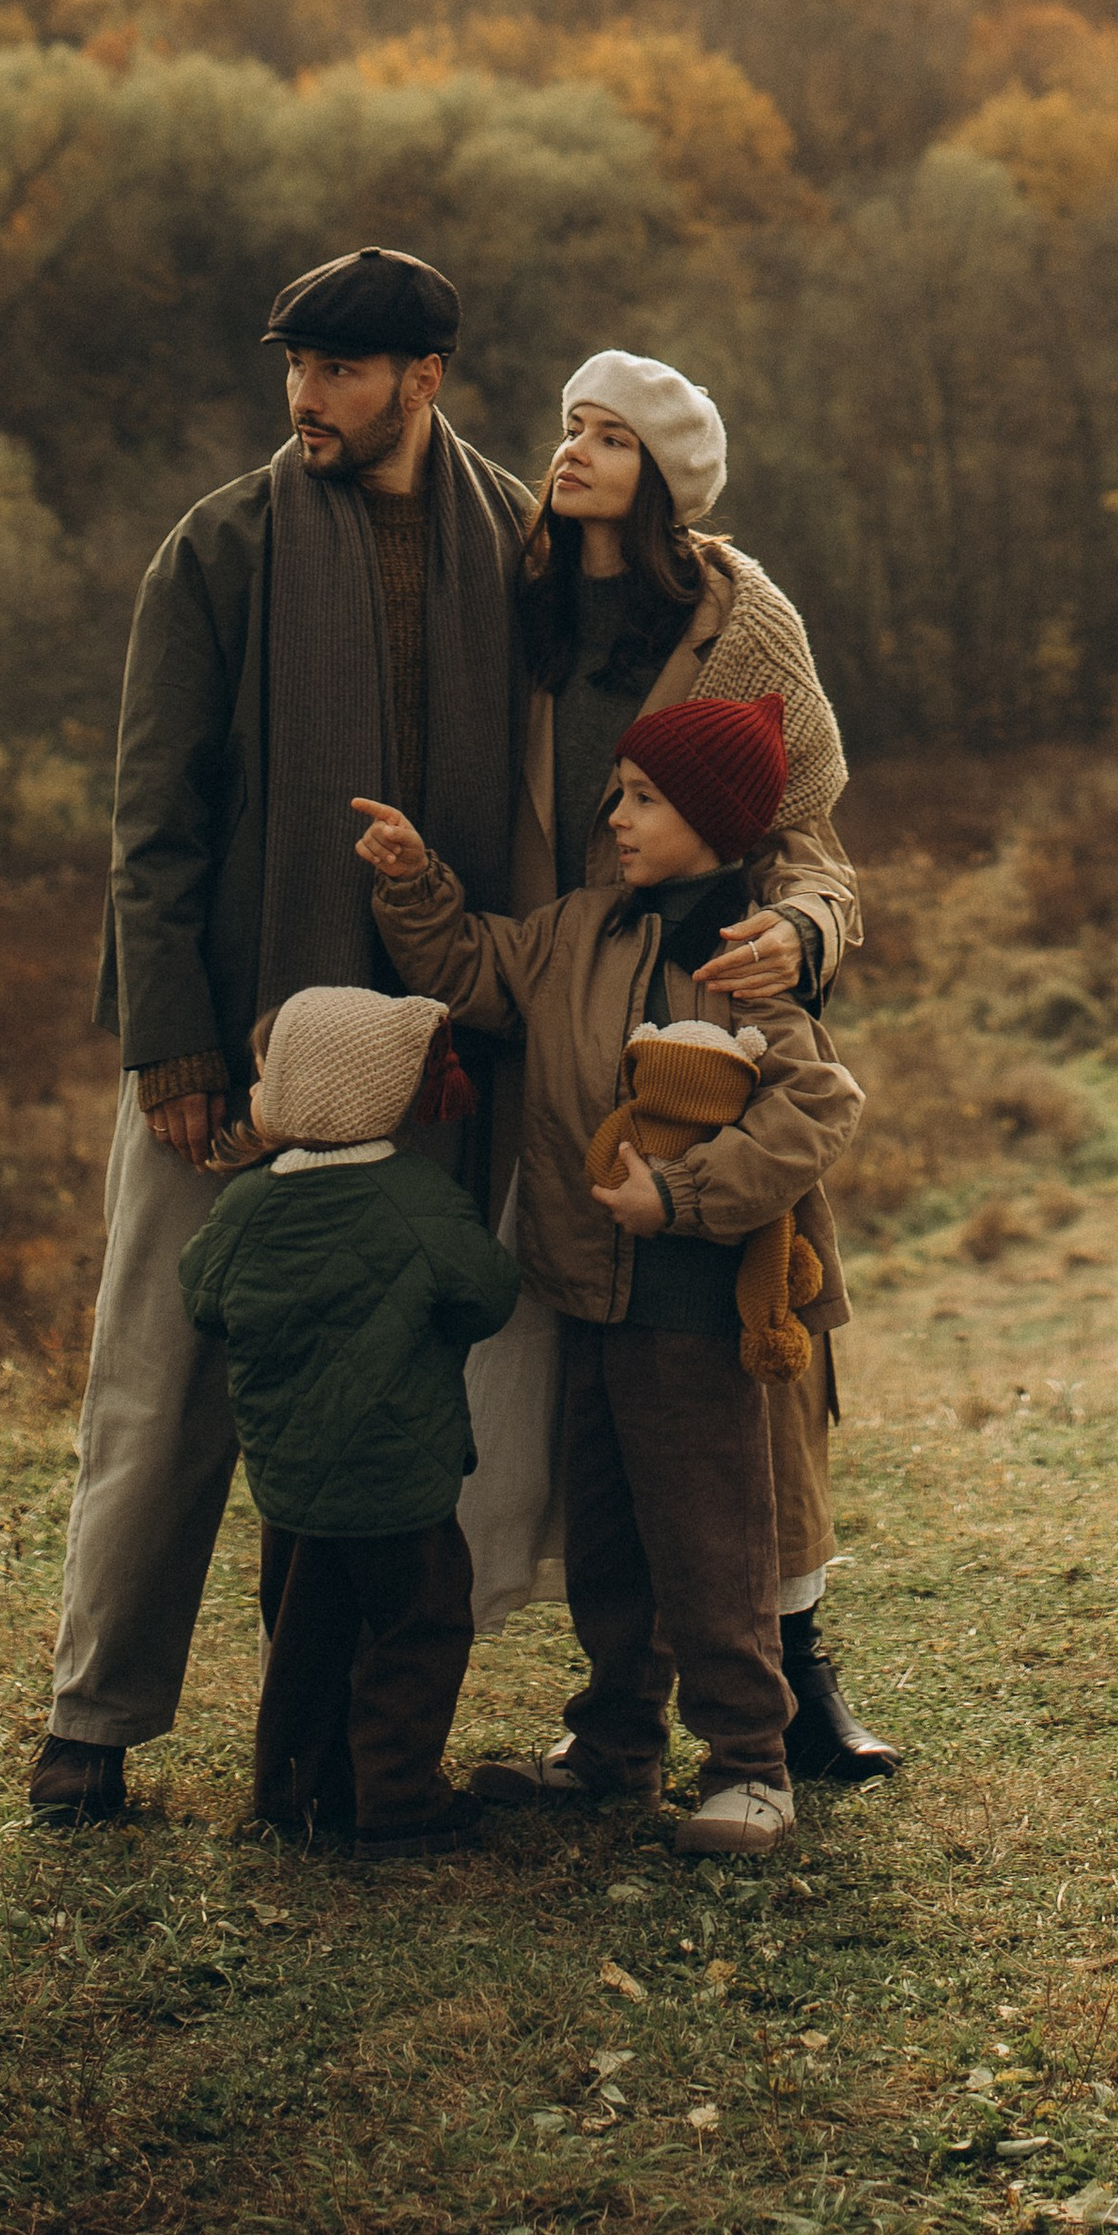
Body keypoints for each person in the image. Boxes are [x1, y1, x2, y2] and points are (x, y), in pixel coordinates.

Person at [30, 246, 534, 1829]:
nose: (306, 395)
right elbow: (152, 822)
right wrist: (173, 1051)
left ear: (424, 382)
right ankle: (92, 1726)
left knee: (395, 1403)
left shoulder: (517, 536)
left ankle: (344, 1755)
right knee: (165, 1387)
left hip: (427, 1053)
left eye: (340, 369)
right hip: (240, 1053)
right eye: (294, 366)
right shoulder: (222, 546)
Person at [483, 348, 900, 1784]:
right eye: (568, 428)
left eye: (608, 436)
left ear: (663, 476)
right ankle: (615, 1710)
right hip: (546, 1002)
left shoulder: (742, 620)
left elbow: (814, 842)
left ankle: (790, 1682)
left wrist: (799, 927)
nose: (573, 452)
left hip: (708, 1008)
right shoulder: (512, 600)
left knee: (758, 1366)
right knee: (589, 1397)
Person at [361, 687, 863, 1857]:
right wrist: (411, 879)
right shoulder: (577, 927)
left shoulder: (738, 955)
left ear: (712, 817)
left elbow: (816, 1105)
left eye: (643, 799)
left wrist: (683, 1197)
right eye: (618, 797)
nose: (619, 818)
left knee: (711, 1544)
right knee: (608, 1535)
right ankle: (614, 1744)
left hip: (695, 1305)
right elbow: (471, 968)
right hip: (589, 1292)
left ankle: (750, 1763)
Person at [177, 986, 521, 1858]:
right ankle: (398, 1798)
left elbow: (203, 1298)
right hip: (402, 1484)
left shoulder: (248, 1205)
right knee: (420, 1630)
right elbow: (487, 1295)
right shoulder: (417, 1197)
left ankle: (296, 1794)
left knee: (302, 1639)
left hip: (291, 1482)